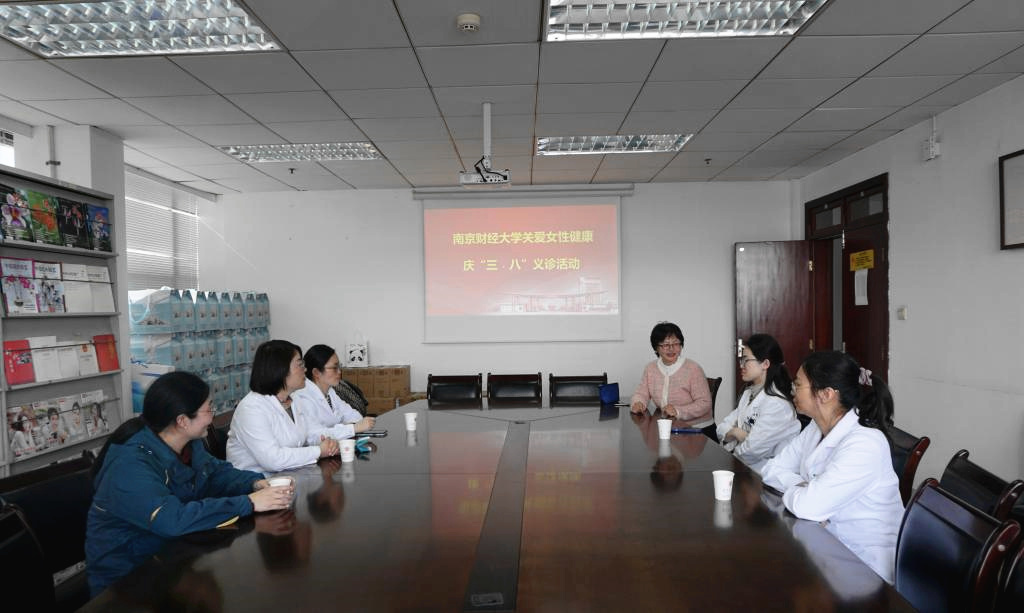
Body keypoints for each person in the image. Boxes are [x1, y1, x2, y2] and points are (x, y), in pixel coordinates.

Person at [86, 371, 294, 597]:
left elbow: (215, 473)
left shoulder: (189, 444)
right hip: (129, 582)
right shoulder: (129, 465)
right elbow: (172, 519)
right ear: (183, 421)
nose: (212, 416)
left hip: (175, 560)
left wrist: (254, 483)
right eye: (208, 409)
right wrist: (248, 503)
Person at [760, 351, 903, 584]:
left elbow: (807, 506)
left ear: (826, 394)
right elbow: (771, 470)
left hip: (863, 567)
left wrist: (810, 495)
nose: (792, 390)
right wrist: (805, 487)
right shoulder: (816, 427)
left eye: (798, 384)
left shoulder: (865, 444)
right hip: (824, 544)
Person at [226, 340, 340, 474]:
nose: (305, 369)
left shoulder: (293, 399)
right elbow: (273, 460)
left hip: (289, 476)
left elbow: (311, 432)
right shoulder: (251, 408)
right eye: (299, 364)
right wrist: (319, 451)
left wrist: (330, 443)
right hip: (257, 483)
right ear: (280, 369)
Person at [715, 333, 800, 473]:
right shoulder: (749, 393)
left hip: (766, 474)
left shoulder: (777, 404)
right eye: (741, 360)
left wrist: (736, 435)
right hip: (745, 468)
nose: (741, 365)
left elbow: (751, 451)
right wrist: (737, 433)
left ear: (765, 364)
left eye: (746, 360)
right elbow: (721, 429)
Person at [630, 322, 713, 427]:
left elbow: (705, 402)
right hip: (668, 425)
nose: (671, 349)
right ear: (656, 348)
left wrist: (678, 411)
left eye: (676, 344)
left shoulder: (693, 369)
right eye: (665, 345)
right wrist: (638, 403)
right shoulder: (650, 368)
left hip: (696, 428)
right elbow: (641, 393)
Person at [291, 344, 375, 439]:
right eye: (334, 368)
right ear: (316, 372)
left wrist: (341, 429)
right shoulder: (303, 397)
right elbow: (315, 436)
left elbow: (355, 416)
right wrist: (351, 428)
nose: (339, 372)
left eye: (339, 366)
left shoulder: (330, 391)